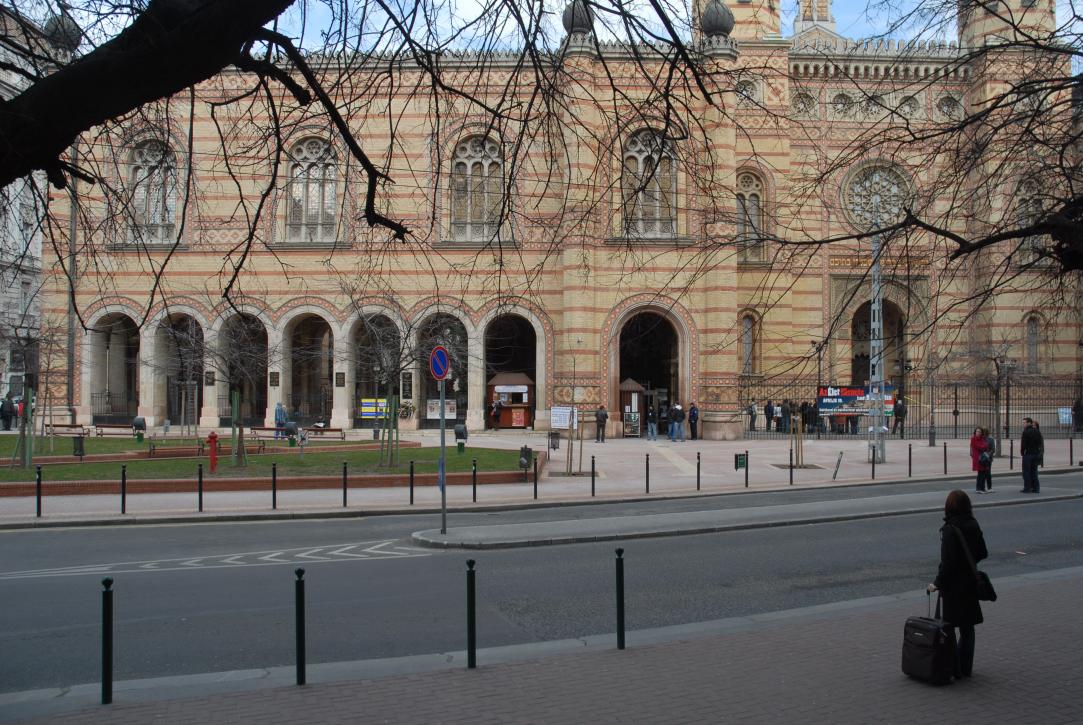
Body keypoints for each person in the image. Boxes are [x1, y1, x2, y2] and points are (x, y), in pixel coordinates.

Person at [927, 490, 988, 680]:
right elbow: (982, 552)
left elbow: (948, 563)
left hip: (952, 587)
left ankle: (953, 668)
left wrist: (936, 583)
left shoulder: (949, 529)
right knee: (968, 627)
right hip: (969, 582)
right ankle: (965, 668)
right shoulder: (973, 523)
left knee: (947, 627)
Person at [1020, 417, 1043, 493]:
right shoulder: (1037, 431)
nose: (1023, 424)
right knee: (1034, 471)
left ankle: (1027, 487)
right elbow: (1040, 442)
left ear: (1029, 423)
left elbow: (1023, 444)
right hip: (1036, 453)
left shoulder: (1026, 432)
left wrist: (1022, 452)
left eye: (1024, 423)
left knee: (1026, 472)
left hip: (1028, 454)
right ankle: (1036, 488)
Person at [970, 426, 992, 494]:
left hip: (983, 458)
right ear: (975, 432)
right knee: (980, 474)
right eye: (977, 431)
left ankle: (982, 488)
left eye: (980, 432)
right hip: (978, 459)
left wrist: (983, 446)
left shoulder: (982, 438)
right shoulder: (973, 439)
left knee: (983, 474)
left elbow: (986, 446)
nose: (978, 433)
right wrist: (983, 446)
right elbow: (978, 446)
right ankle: (978, 488)